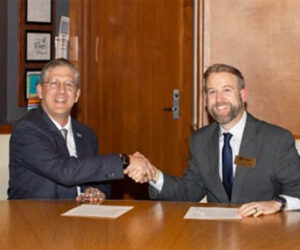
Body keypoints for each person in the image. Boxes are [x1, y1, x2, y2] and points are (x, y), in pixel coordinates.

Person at [127, 63, 300, 217]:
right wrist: (155, 175)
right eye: (212, 92)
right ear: (205, 99)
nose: (219, 100)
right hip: (215, 234)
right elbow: (190, 192)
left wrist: (278, 204)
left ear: (243, 95)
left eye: (226, 90)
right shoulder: (199, 140)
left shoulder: (276, 139)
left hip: (266, 233)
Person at [8, 58, 154, 201]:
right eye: (54, 84)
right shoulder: (27, 129)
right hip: (32, 220)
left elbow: (98, 177)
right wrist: (124, 161)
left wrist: (98, 192)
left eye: (69, 85)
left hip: (78, 219)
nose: (61, 91)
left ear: (77, 95)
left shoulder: (87, 134)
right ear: (40, 91)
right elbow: (64, 172)